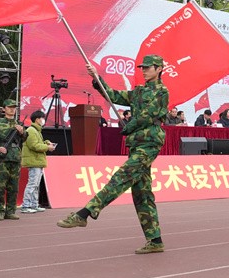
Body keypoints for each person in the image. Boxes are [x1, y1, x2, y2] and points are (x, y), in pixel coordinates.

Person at [58, 54, 169, 255]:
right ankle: (155, 240)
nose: (144, 70)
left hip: (150, 142)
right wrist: (97, 78)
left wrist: (129, 126)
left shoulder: (162, 92)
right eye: (142, 67)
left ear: (159, 68)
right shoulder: (138, 91)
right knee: (142, 193)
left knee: (122, 176)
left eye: (148, 67)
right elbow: (114, 96)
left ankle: (85, 213)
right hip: (136, 143)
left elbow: (148, 115)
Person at [0, 99, 26, 220]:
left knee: (14, 187)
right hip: (2, 159)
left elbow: (25, 139)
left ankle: (10, 211)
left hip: (15, 157)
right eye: (9, 107)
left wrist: (22, 132)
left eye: (14, 107)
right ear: (3, 109)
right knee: (0, 187)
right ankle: (0, 211)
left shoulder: (19, 124)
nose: (12, 109)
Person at [20, 110, 56, 213]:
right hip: (34, 161)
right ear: (37, 119)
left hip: (37, 161)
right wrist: (47, 147)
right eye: (42, 118)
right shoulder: (31, 130)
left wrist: (46, 143)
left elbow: (37, 143)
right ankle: (26, 206)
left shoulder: (36, 130)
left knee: (36, 185)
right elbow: (34, 145)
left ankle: (34, 204)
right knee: (32, 184)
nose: (43, 120)